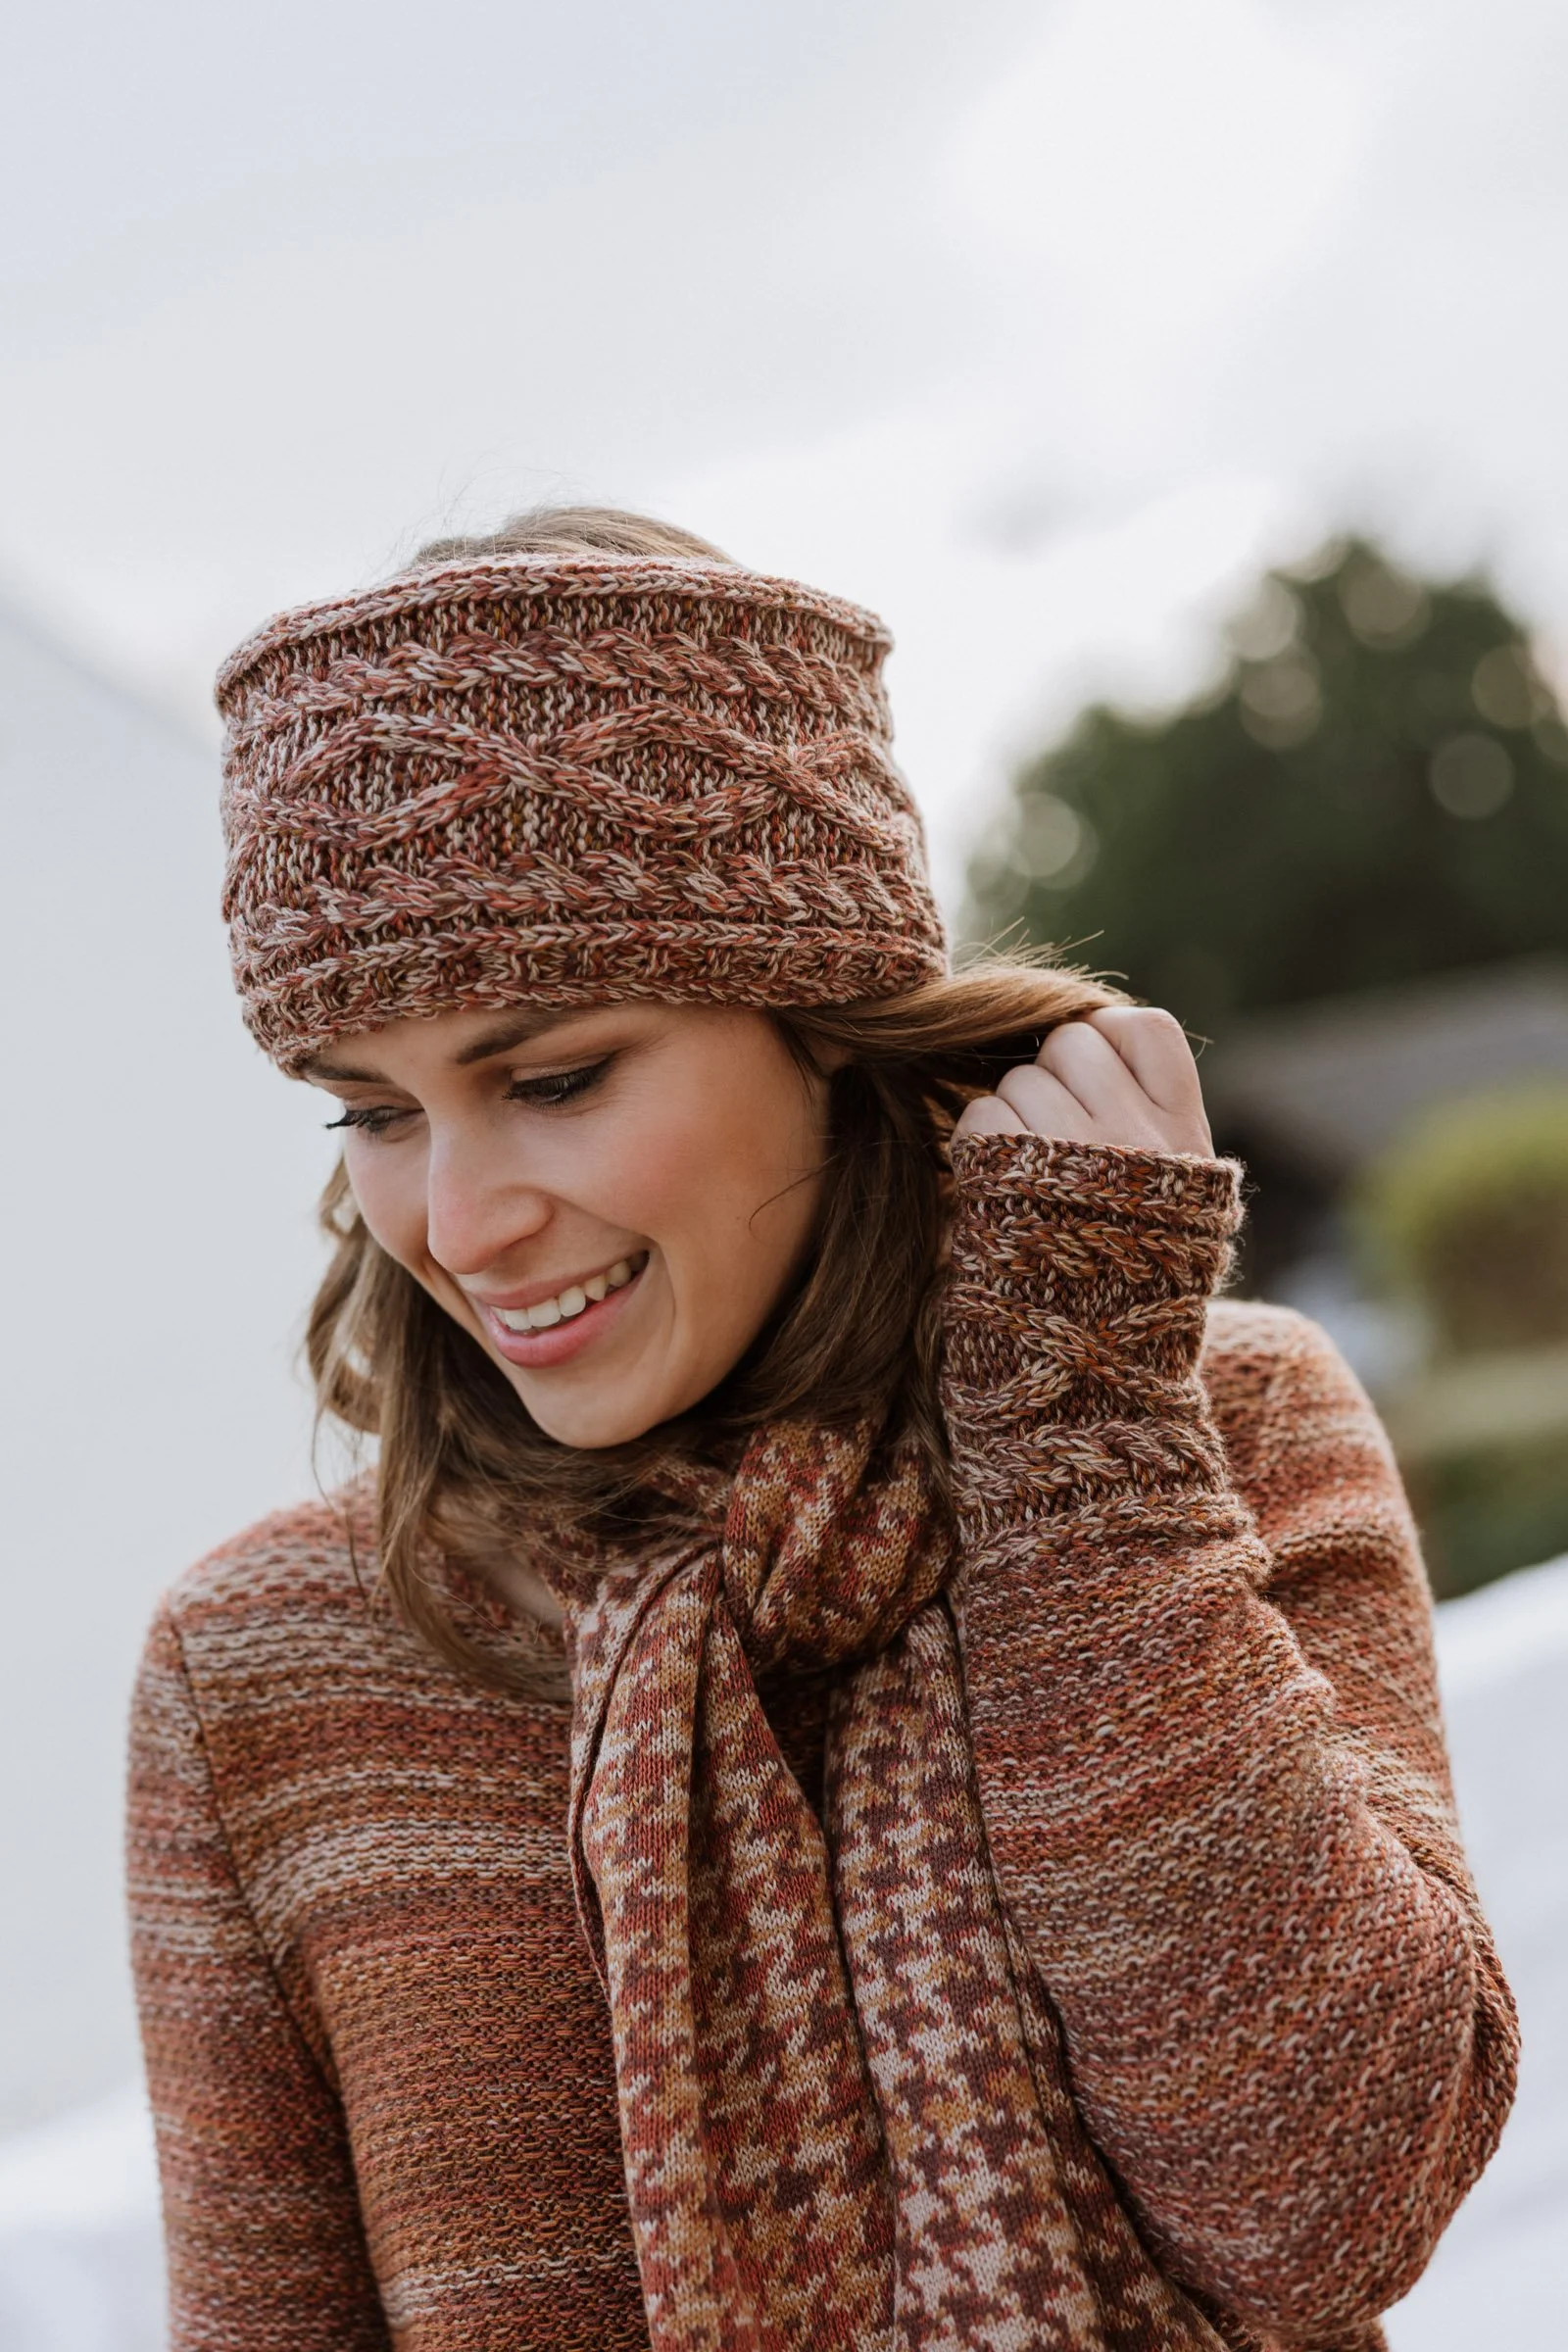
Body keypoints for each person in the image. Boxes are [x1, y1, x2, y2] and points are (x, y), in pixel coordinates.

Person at [126, 506, 1516, 2352]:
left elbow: (1329, 2207)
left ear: (830, 1031)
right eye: (368, 1113)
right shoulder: (268, 1672)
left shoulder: (1212, 1430)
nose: (456, 1225)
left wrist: (1080, 1456)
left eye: (554, 1078)